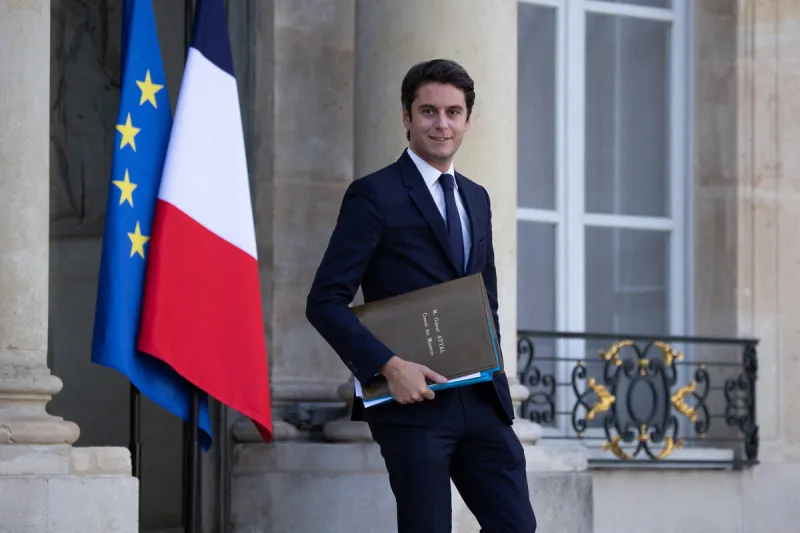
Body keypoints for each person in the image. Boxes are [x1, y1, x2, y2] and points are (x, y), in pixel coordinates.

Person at [306, 59, 537, 533]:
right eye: (428, 111)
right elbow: (324, 301)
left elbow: (484, 296)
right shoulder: (373, 195)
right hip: (413, 403)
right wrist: (390, 368)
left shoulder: (478, 197)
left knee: (517, 526)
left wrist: (493, 369)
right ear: (407, 118)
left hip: (481, 401)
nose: (442, 123)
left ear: (468, 120)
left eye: (453, 112)